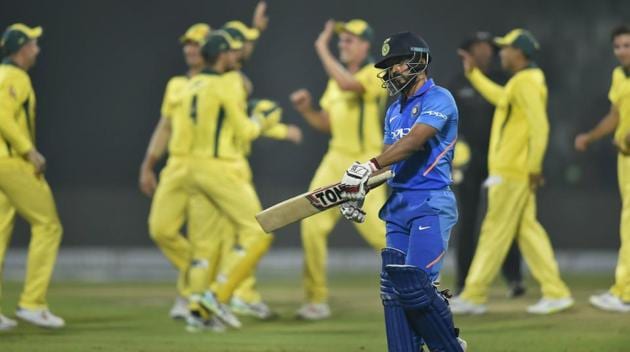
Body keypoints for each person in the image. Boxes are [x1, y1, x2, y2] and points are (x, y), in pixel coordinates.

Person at [337, 31, 466, 352]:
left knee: (416, 289)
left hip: (430, 203)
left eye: (396, 63)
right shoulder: (394, 110)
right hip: (397, 206)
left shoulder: (440, 99)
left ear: (418, 61)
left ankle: (450, 346)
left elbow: (414, 142)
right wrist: (358, 186)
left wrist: (367, 164)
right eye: (389, 65)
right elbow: (386, 161)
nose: (390, 71)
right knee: (393, 292)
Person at [451, 29, 573, 315]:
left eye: (505, 48)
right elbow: (500, 97)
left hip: (513, 171)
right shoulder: (522, 81)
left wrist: (533, 167)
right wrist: (474, 75)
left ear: (519, 53)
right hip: (515, 169)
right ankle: (556, 292)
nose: (500, 53)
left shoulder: (527, 82)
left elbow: (540, 126)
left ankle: (474, 295)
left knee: (494, 230)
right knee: (528, 231)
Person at [290, 19, 387, 320]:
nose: (343, 45)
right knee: (311, 224)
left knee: (383, 235)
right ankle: (316, 300)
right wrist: (307, 109)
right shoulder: (335, 81)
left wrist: (321, 47)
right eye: (341, 40)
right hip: (335, 159)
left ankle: (422, 289)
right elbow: (326, 124)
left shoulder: (375, 73)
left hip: (365, 163)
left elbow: (350, 84)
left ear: (365, 45)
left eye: (350, 40)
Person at [139, 22, 212, 320]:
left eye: (197, 44)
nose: (190, 49)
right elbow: (165, 126)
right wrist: (148, 164)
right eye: (187, 44)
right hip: (177, 165)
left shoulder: (224, 81)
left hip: (209, 168)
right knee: (161, 228)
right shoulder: (176, 85)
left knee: (200, 236)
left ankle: (189, 296)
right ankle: (197, 273)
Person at [447, 31, 524, 297]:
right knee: (467, 220)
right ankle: (463, 281)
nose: (485, 51)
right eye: (477, 46)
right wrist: (452, 158)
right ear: (466, 51)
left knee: (505, 219)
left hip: (500, 159)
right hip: (469, 162)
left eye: (487, 46)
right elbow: (447, 125)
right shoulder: (456, 84)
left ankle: (514, 278)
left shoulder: (504, 80)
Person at [0, 24, 65, 330]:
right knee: (48, 225)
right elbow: (1, 115)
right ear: (22, 48)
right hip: (11, 164)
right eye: (34, 44)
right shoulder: (15, 77)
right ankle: (32, 303)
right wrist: (29, 151)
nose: (37, 50)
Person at [575, 24, 630, 313]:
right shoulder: (619, 75)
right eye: (618, 46)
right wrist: (592, 136)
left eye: (627, 45)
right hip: (625, 159)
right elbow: (615, 115)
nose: (622, 51)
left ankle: (625, 292)